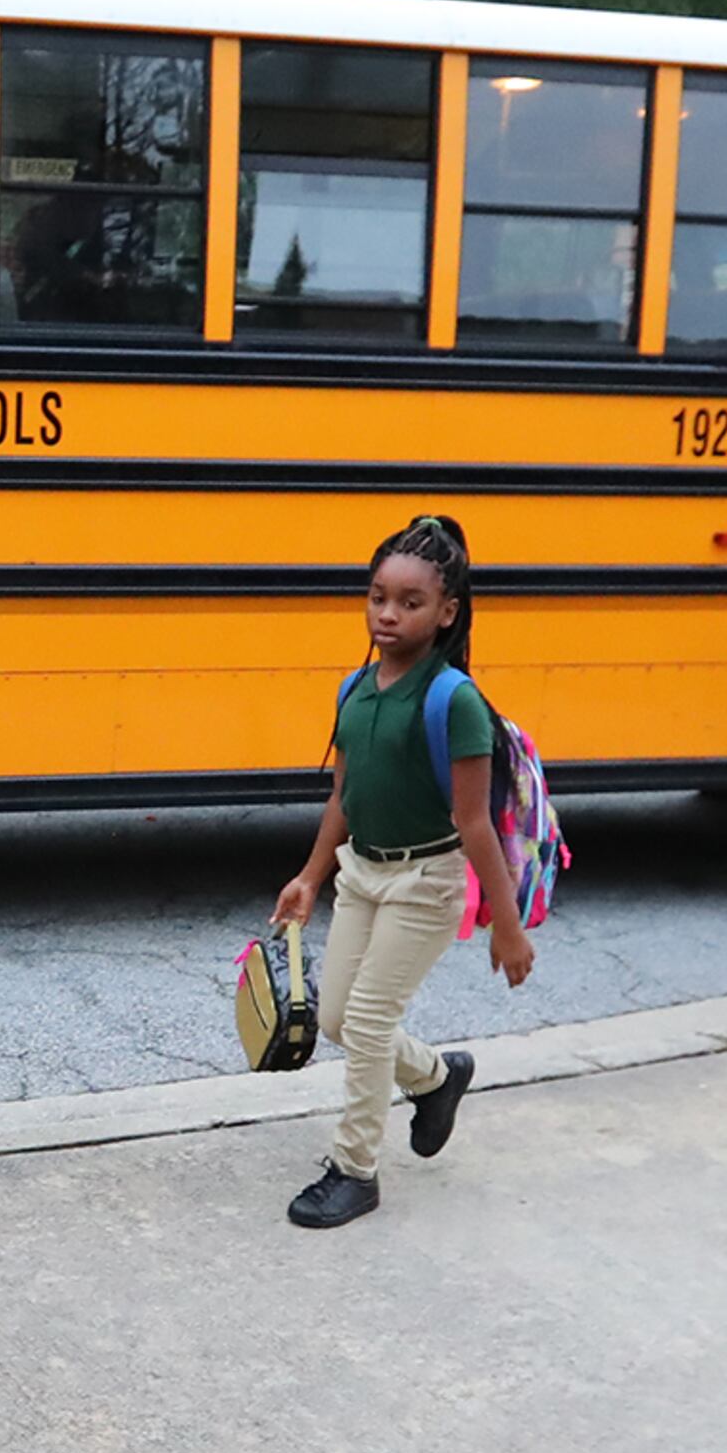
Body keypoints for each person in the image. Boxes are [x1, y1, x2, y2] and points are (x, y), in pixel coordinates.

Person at [271, 516, 538, 1231]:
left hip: (426, 883)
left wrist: (505, 927)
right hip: (362, 874)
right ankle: (435, 1076)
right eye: (377, 597)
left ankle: (354, 1169)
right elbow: (344, 798)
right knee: (335, 1018)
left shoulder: (455, 701)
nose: (388, 613)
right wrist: (309, 875)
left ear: (448, 612)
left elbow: (475, 822)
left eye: (410, 602)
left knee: (366, 1019)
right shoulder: (354, 689)